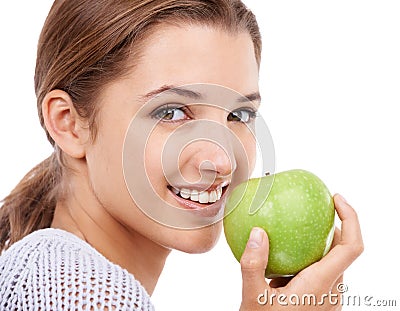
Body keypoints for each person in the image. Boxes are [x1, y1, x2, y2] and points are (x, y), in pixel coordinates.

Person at [0, 0, 363, 310]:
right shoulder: (74, 288)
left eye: (239, 116)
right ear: (68, 124)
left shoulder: (47, 273)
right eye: (172, 112)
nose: (222, 162)